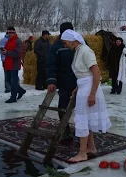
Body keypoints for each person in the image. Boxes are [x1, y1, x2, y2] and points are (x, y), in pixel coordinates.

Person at [61, 29, 112, 162]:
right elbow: (83, 73)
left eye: (65, 42)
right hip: (84, 88)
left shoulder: (85, 51)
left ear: (72, 40)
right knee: (86, 120)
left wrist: (92, 94)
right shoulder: (78, 50)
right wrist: (78, 87)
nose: (64, 45)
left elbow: (96, 74)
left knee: (82, 120)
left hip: (90, 90)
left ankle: (82, 153)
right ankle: (91, 147)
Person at [46, 22, 76, 140]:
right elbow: (51, 65)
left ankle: (83, 131)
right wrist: (52, 81)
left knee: (82, 108)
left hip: (79, 81)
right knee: (63, 107)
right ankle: (65, 129)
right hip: (64, 81)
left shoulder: (80, 43)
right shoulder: (57, 46)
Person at [1, 26, 26, 103]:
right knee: (8, 80)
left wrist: (7, 52)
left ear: (14, 33)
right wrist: (4, 51)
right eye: (8, 33)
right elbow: (7, 50)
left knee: (13, 81)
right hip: (8, 63)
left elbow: (18, 54)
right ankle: (20, 90)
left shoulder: (18, 41)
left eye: (11, 32)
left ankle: (13, 97)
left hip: (14, 64)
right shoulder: (8, 41)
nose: (9, 34)